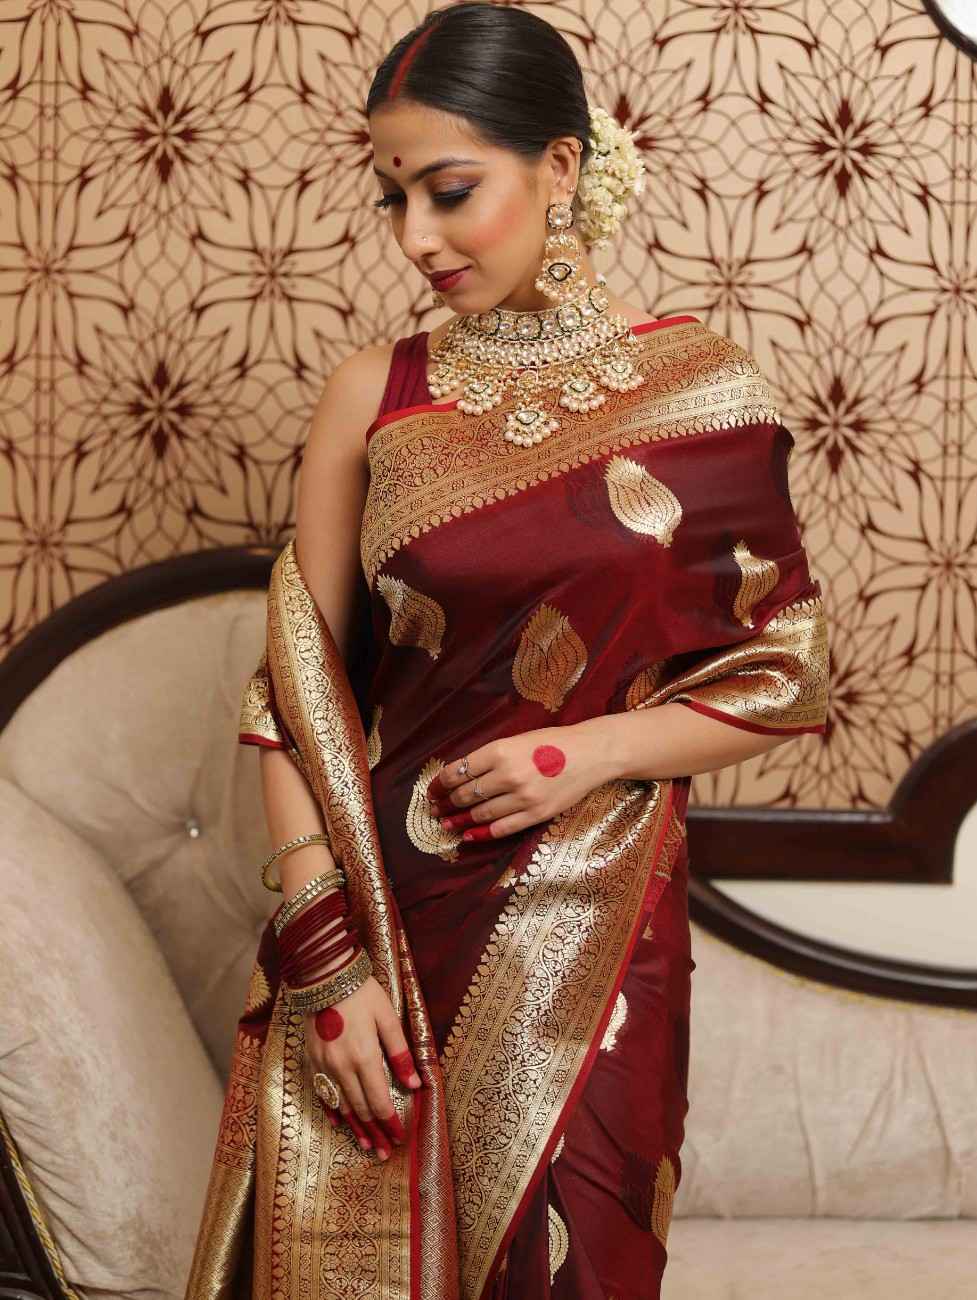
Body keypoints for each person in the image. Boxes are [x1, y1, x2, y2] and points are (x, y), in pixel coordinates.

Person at [184, 4, 830, 1297]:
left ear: (563, 168)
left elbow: (784, 669)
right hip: (384, 922)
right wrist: (326, 958)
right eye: (393, 198)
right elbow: (295, 688)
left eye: (449, 191)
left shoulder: (700, 393)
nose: (415, 238)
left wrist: (585, 750)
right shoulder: (375, 394)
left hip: (597, 936)